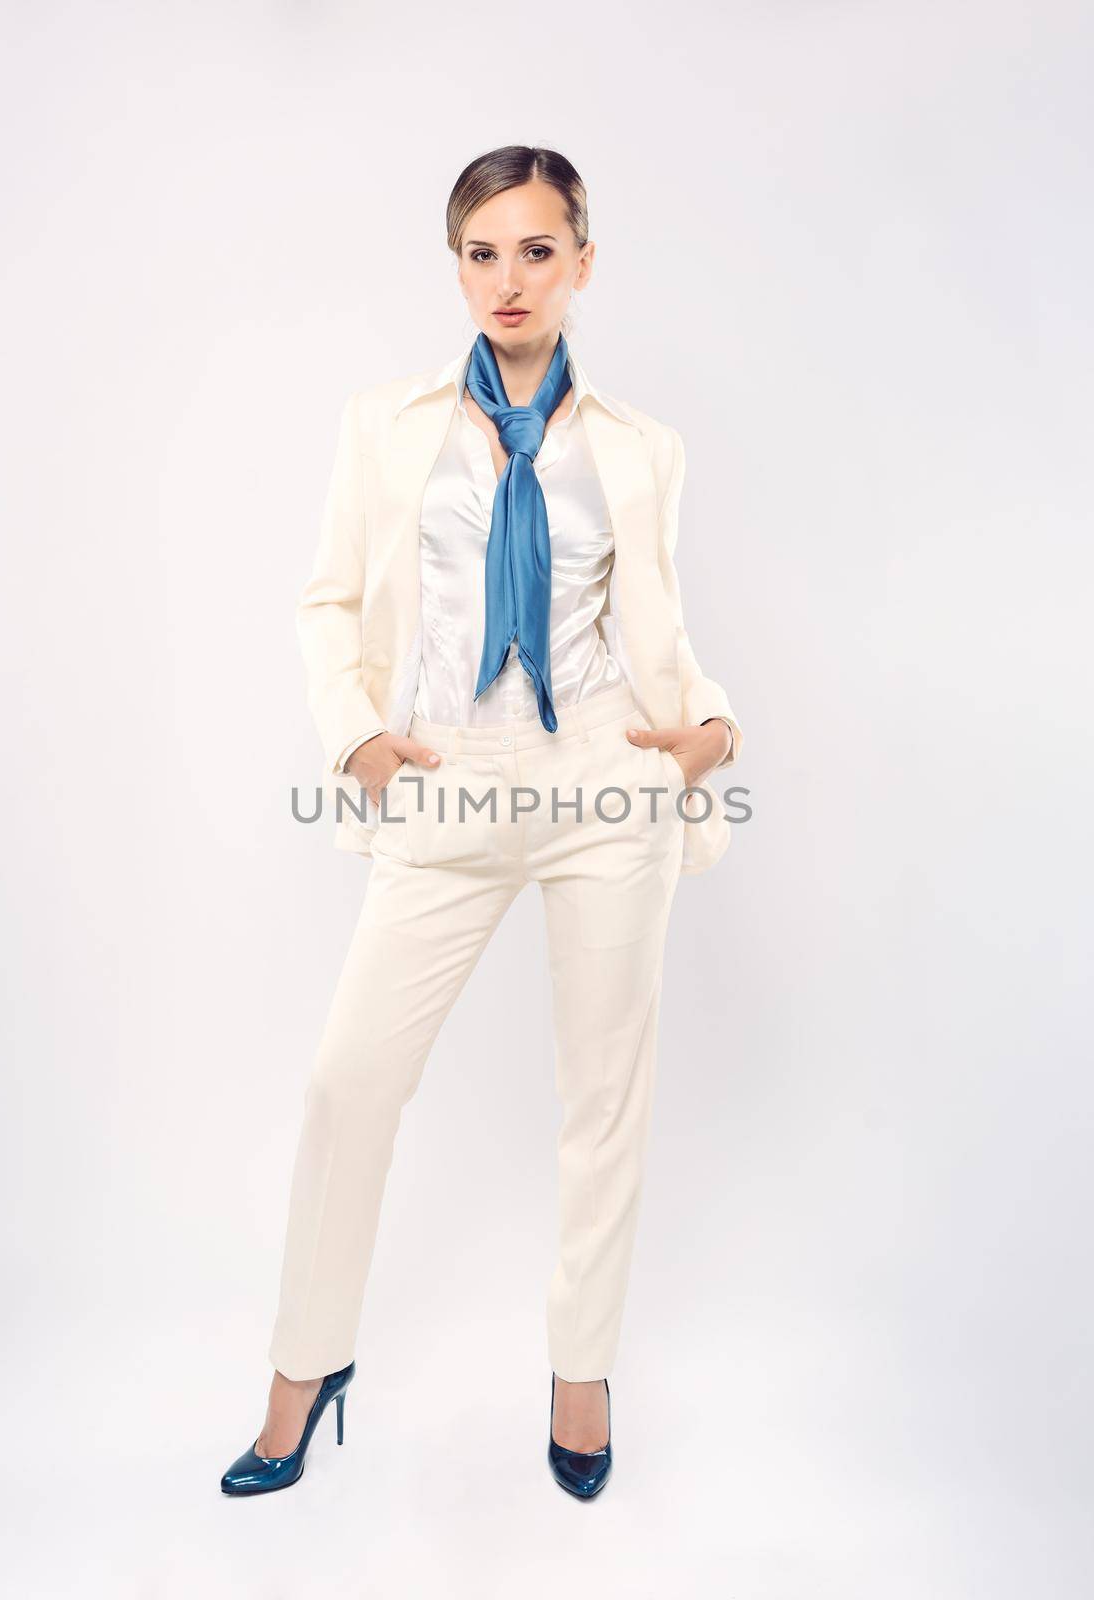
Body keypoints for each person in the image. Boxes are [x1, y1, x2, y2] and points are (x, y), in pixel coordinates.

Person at [221, 144, 744, 1501]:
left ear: (581, 259)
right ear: (454, 264)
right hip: (444, 779)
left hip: (601, 786)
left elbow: (661, 628)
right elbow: (326, 600)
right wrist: (359, 741)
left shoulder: (641, 451)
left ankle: (580, 1371)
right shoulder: (385, 427)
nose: (503, 280)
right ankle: (306, 1362)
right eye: (477, 252)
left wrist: (712, 733)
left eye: (532, 249)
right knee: (349, 1082)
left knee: (600, 1099)